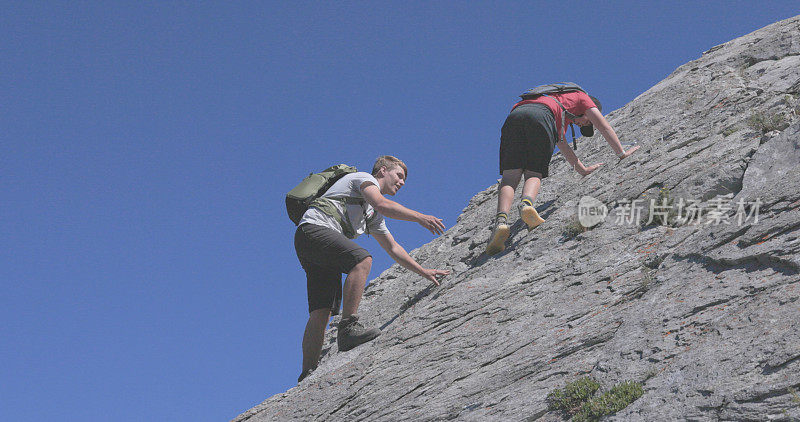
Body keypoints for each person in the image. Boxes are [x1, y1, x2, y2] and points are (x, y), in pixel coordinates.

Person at [294, 155, 451, 382]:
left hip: (310, 241)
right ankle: (348, 330)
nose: (402, 182)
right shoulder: (363, 179)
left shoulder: (371, 214)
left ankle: (307, 372)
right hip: (315, 230)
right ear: (383, 171)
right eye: (399, 175)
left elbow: (393, 248)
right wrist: (420, 217)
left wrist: (423, 271)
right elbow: (382, 204)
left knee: (322, 311)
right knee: (362, 260)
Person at [486, 87, 640, 255]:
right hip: (542, 118)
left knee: (510, 176)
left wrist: (583, 170)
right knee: (533, 172)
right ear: (589, 109)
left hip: (515, 116)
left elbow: (564, 147)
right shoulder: (582, 97)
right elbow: (604, 126)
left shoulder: (555, 104)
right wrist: (622, 153)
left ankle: (501, 221)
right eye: (587, 122)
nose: (582, 124)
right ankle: (526, 205)